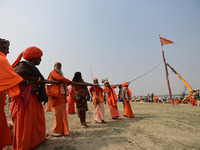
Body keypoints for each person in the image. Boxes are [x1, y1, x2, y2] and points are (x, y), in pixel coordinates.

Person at [10, 46, 48, 150]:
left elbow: (40, 80)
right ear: (34, 58)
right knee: (25, 123)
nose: (40, 60)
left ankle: (35, 141)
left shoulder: (34, 69)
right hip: (24, 99)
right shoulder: (22, 65)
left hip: (34, 98)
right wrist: (33, 79)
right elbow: (16, 76)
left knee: (36, 120)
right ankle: (24, 145)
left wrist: (37, 80)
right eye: (39, 58)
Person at [0, 38, 23, 150]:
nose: (8, 52)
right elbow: (12, 76)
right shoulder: (1, 60)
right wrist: (29, 81)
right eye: (6, 48)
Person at [47, 62, 71, 136]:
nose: (58, 67)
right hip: (56, 96)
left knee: (63, 114)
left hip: (62, 97)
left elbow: (62, 80)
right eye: (57, 65)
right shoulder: (53, 72)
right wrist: (68, 81)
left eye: (60, 66)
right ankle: (57, 131)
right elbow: (59, 78)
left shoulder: (60, 74)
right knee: (57, 114)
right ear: (54, 66)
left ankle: (63, 130)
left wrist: (67, 82)